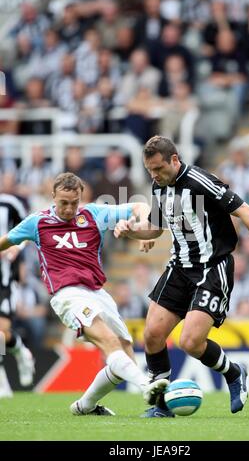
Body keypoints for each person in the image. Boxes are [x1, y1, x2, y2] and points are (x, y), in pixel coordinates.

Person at [114, 135, 249, 417]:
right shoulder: (159, 185)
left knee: (189, 342)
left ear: (175, 160)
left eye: (159, 169)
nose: (155, 175)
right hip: (179, 266)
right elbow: (156, 227)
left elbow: (244, 210)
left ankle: (234, 373)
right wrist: (131, 231)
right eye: (150, 171)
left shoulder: (200, 181)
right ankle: (161, 405)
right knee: (152, 335)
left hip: (212, 267)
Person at [0, 172, 168, 414]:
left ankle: (84, 406)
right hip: (67, 295)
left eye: (74, 202)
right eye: (63, 203)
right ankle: (146, 385)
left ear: (80, 198)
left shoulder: (94, 213)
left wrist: (141, 226)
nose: (69, 209)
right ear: (53, 198)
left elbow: (140, 206)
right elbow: (6, 241)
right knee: (109, 342)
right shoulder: (36, 222)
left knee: (125, 356)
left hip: (97, 292)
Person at [0, 192, 35, 398]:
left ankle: (21, 352)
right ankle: (2, 382)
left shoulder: (9, 202)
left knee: (2, 332)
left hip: (4, 279)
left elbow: (27, 229)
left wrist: (15, 249)